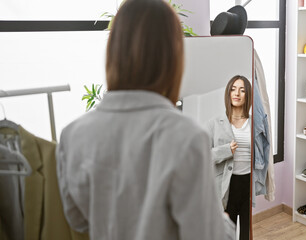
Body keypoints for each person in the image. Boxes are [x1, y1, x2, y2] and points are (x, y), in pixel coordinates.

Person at [56, 0, 234, 239]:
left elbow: (77, 220)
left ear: (113, 53)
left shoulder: (72, 135)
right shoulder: (188, 137)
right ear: (173, 58)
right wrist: (222, 221)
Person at [207, 75, 252, 240]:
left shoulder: (254, 123)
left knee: (246, 233)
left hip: (248, 184)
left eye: (242, 90)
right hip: (226, 186)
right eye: (233, 89)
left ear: (247, 94)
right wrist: (225, 150)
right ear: (228, 93)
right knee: (227, 233)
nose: (237, 93)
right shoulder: (214, 123)